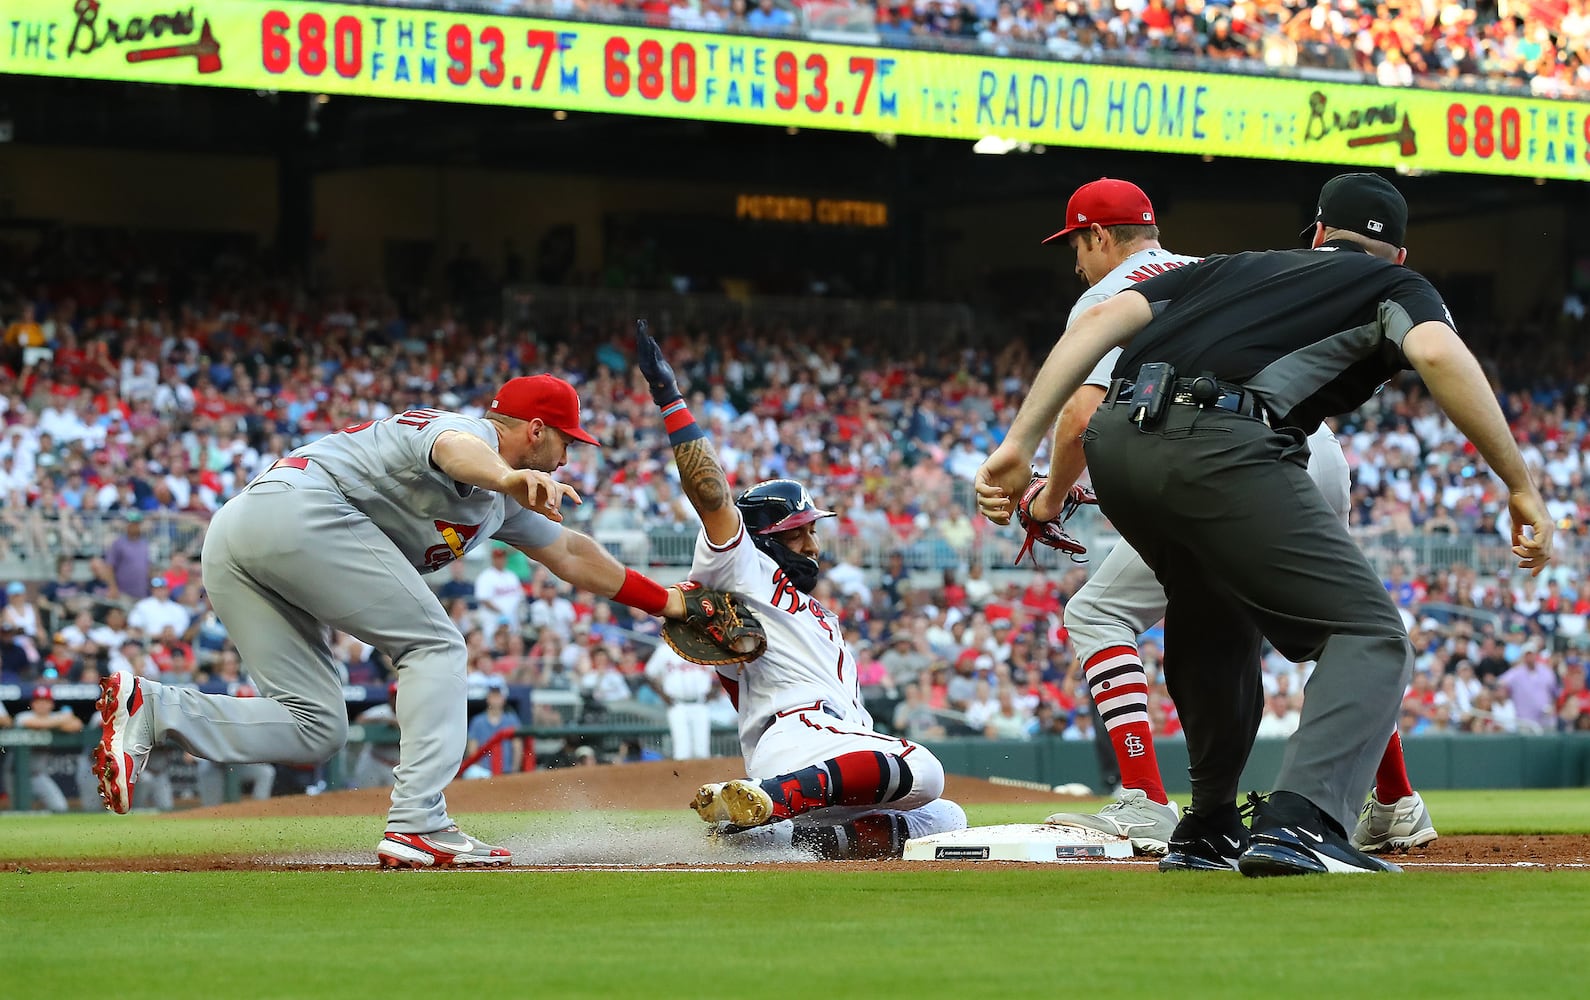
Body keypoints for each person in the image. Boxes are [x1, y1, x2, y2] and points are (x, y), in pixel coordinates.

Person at [977, 173, 1551, 876]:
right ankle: (1304, 821)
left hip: (1120, 446)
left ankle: (1208, 824)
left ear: (1314, 234)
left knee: (1215, 617)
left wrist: (1016, 444)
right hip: (1226, 446)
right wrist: (1519, 484)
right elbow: (1436, 352)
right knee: (1369, 633)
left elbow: (1100, 324)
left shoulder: (1227, 266)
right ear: (1397, 254)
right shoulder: (1398, 287)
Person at [93, 374, 695, 867]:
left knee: (315, 729)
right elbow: (452, 451)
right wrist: (508, 476)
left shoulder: (502, 499)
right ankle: (419, 824)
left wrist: (665, 602)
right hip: (299, 511)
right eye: (567, 440)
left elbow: (571, 554)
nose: (569, 454)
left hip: (241, 536)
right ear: (535, 430)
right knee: (436, 646)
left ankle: (157, 709)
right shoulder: (463, 432)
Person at [1030, 178, 1437, 858]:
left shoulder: (1115, 292)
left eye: (1076, 244)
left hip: (1233, 457)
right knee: (1335, 622)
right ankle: (1393, 798)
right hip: (1305, 444)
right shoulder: (1212, 268)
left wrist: (1045, 494)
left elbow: (1079, 418)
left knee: (1100, 613)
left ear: (1099, 237)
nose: (1076, 261)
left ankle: (1150, 801)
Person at [636, 322, 967, 859]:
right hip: (798, 735)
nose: (813, 543)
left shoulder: (813, 611)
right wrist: (670, 399)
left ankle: (776, 837)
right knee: (925, 769)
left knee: (945, 817)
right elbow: (712, 495)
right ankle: (770, 800)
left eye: (813, 529)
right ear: (764, 541)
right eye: (800, 532)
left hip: (832, 758)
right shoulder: (744, 570)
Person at [15, 685, 84, 812]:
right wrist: (62, 719)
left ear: (51, 704)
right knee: (18, 810)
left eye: (45, 701)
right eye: (38, 701)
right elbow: (33, 723)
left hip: (38, 775)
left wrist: (54, 721)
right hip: (16, 775)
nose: (42, 704)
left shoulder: (54, 717)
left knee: (60, 807)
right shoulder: (23, 716)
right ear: (32, 703)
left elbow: (77, 725)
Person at [644, 638, 716, 760]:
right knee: (682, 751)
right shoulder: (664, 650)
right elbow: (649, 674)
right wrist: (663, 695)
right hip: (677, 705)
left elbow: (720, 671)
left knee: (702, 751)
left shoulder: (702, 647)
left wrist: (714, 692)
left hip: (700, 703)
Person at [462, 677, 522, 778]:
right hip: (483, 773)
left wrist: (514, 770)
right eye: (493, 695)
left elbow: (517, 746)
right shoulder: (478, 721)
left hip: (506, 772)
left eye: (498, 696)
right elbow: (472, 750)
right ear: (488, 698)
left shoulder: (511, 719)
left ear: (503, 698)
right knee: (471, 773)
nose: (495, 699)